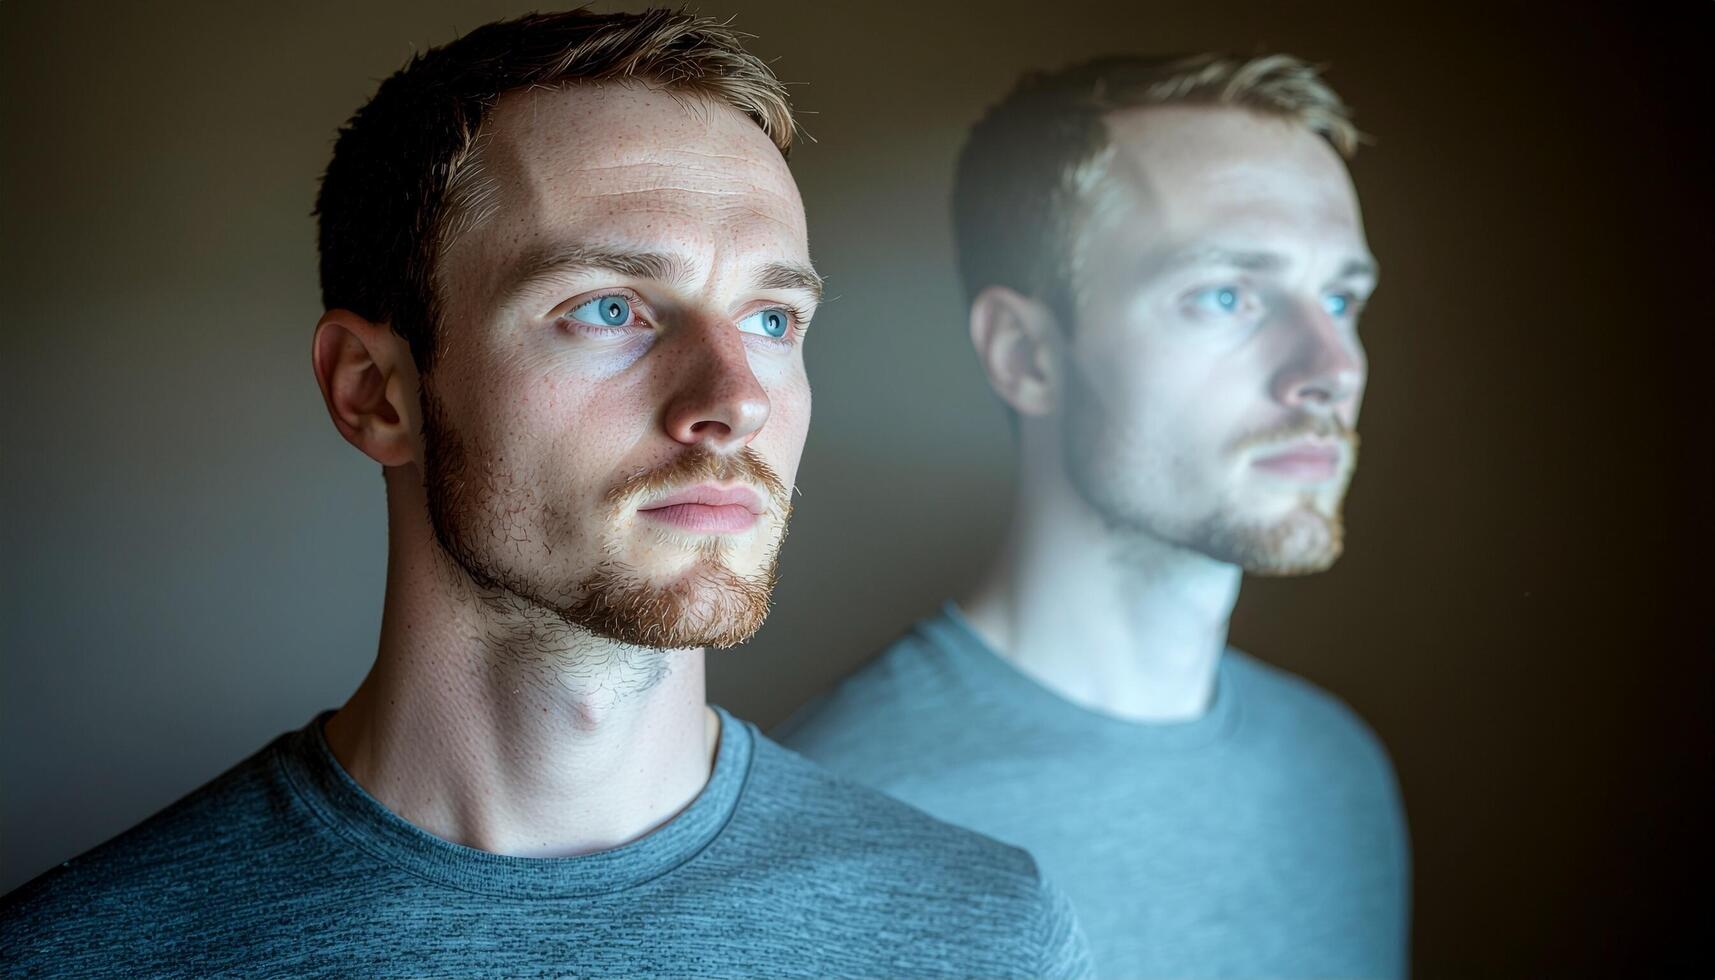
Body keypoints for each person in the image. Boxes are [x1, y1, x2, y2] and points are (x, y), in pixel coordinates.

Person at [0, 11, 1090, 977]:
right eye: (608, 308)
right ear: (376, 393)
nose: (734, 401)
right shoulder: (84, 954)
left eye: (771, 319)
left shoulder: (981, 935)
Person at [779, 54, 1409, 978]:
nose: (1329, 368)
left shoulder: (1335, 774)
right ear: (1026, 354)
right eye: (1227, 295)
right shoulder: (841, 825)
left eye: (1340, 298)